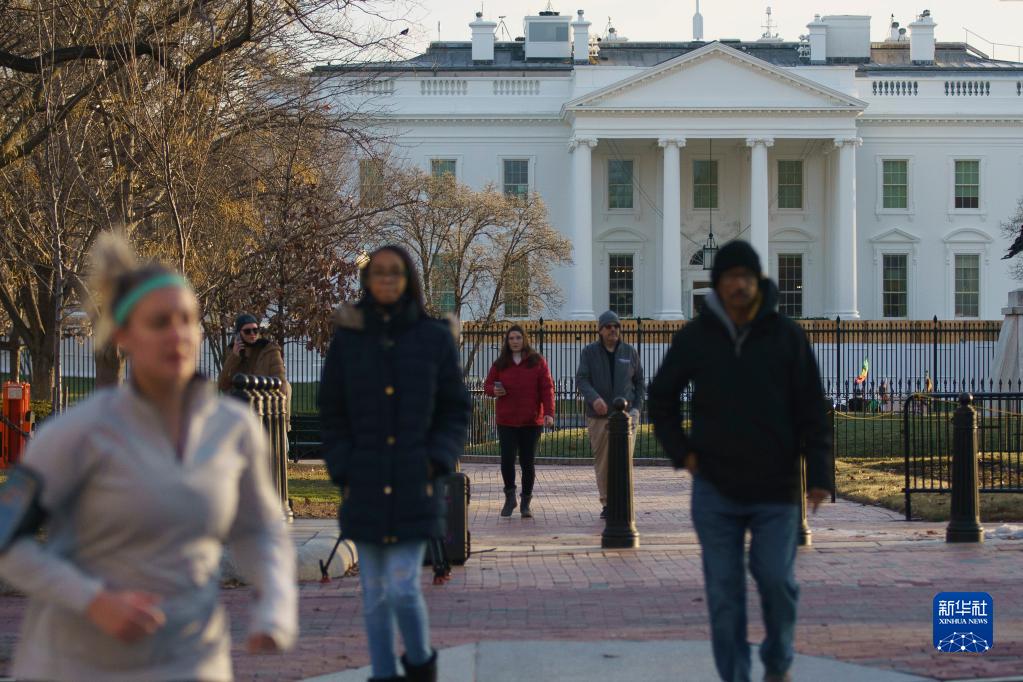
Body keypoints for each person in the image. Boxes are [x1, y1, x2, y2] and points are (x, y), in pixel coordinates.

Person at [0, 234, 297, 681]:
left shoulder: (233, 429)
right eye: (159, 322)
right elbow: (7, 542)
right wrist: (92, 599)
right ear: (124, 335)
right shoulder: (76, 434)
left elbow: (261, 528)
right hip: (79, 662)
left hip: (192, 659)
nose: (177, 334)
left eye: (187, 320)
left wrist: (276, 602)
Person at [647, 240, 833, 682]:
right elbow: (661, 397)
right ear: (718, 284)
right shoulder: (697, 337)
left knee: (777, 582)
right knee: (724, 594)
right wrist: (683, 452)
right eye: (731, 277)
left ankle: (778, 664)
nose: (740, 285)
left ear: (758, 281)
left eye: (747, 277)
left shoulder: (786, 335)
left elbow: (812, 408)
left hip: (776, 487)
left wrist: (819, 474)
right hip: (716, 487)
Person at [318, 245, 471, 682]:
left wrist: (437, 458)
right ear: (367, 280)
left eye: (395, 272)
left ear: (409, 280)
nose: (386, 279)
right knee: (374, 595)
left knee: (403, 587)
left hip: (414, 482)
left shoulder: (433, 337)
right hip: (364, 482)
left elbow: (454, 408)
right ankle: (383, 675)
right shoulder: (349, 338)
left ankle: (420, 666)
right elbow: (332, 411)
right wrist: (342, 465)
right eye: (378, 272)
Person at [575, 310, 645, 519]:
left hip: (627, 417)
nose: (613, 330)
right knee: (604, 461)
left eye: (616, 326)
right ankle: (607, 502)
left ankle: (622, 501)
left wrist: (637, 408)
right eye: (608, 326)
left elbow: (639, 383)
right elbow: (582, 379)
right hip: (599, 417)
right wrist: (594, 398)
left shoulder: (630, 352)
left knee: (624, 460)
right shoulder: (589, 352)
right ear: (600, 330)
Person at [483, 325, 556, 518]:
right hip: (506, 420)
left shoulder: (537, 361)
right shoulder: (500, 363)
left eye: (518, 338)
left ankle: (526, 502)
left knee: (527, 462)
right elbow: (487, 385)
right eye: (511, 338)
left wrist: (549, 413)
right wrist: (493, 390)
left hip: (531, 421)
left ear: (524, 339)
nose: (515, 341)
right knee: (507, 460)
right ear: (507, 342)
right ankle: (510, 497)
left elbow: (547, 388)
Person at [217, 313, 292, 423]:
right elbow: (223, 385)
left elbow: (280, 382)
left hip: (267, 407)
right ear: (238, 334)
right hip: (242, 409)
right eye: (247, 331)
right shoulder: (234, 351)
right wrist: (234, 357)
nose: (252, 334)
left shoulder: (270, 350)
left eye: (255, 330)